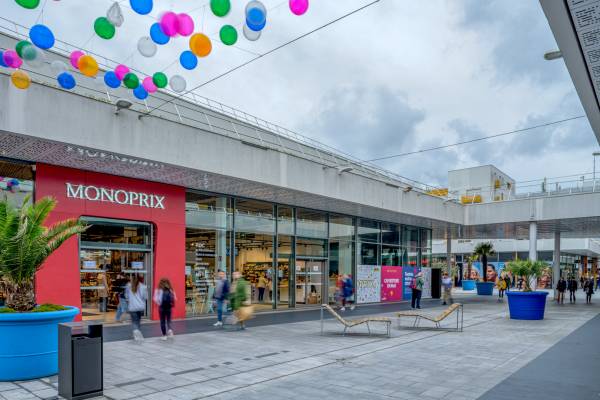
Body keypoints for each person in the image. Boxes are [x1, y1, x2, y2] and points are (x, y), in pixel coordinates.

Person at [126, 274, 147, 343]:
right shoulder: (143, 286)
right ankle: (137, 333)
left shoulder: (129, 286)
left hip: (132, 307)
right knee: (138, 321)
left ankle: (136, 332)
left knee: (134, 321)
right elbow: (145, 297)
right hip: (140, 307)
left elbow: (126, 296)